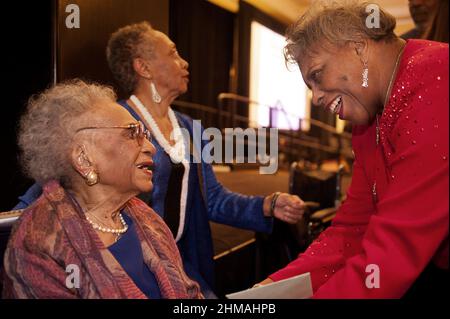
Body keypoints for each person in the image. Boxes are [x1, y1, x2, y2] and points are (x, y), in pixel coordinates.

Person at [13, 22, 306, 298]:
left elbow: (212, 199)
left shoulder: (190, 128)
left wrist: (266, 205)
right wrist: (17, 227)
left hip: (178, 262)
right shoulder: (110, 123)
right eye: (174, 53)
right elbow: (55, 183)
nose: (185, 62)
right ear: (143, 67)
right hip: (121, 258)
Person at [257, 1, 448, 298]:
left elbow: (393, 252)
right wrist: (270, 290)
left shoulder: (436, 77)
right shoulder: (368, 121)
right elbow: (352, 229)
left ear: (359, 46)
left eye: (317, 75)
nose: (317, 98)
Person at [3, 80, 202, 299]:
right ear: (84, 158)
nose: (150, 147)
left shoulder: (147, 219)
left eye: (145, 134)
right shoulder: (37, 244)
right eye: (131, 133)